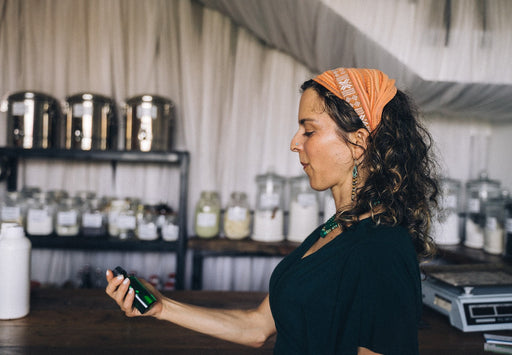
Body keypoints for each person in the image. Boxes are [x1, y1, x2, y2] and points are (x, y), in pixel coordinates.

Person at [106, 67, 440, 355]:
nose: (295, 142)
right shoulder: (336, 228)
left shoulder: (381, 250)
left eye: (309, 130)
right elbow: (256, 327)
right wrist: (163, 307)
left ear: (358, 143)